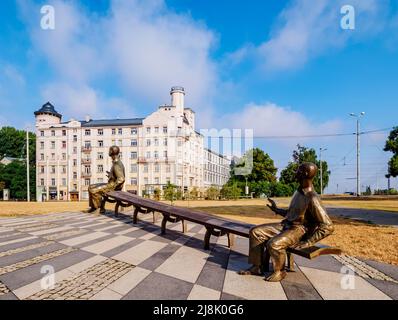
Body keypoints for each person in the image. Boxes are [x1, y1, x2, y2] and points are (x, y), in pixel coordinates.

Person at [239, 162, 334, 282]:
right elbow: (292, 214)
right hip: (286, 225)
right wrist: (276, 209)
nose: (295, 172)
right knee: (255, 232)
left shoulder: (312, 197)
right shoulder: (298, 192)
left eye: (298, 170)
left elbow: (328, 226)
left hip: (298, 231)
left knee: (274, 244)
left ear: (304, 174)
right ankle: (257, 266)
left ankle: (280, 271)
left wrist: (309, 242)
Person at [84, 146, 125, 215]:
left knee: (93, 190)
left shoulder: (117, 163)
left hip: (114, 186)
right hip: (111, 183)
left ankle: (98, 208)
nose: (108, 151)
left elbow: (121, 179)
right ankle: (93, 207)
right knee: (90, 187)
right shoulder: (115, 162)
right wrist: (110, 175)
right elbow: (117, 176)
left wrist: (113, 187)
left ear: (112, 151)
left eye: (109, 150)